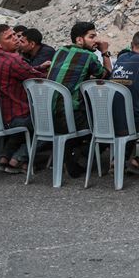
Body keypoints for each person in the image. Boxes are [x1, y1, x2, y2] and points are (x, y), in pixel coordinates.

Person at [0, 25, 48, 172]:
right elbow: (37, 79)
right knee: (48, 122)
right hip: (8, 120)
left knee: (28, 118)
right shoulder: (13, 59)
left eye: (15, 34)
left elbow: (25, 71)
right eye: (9, 37)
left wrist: (39, 67)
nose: (16, 38)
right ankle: (19, 159)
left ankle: (5, 156)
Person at [48, 21, 111, 175]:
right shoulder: (88, 56)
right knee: (106, 127)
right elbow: (106, 74)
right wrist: (105, 52)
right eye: (92, 37)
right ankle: (79, 156)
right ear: (79, 40)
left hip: (48, 116)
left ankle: (70, 152)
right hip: (68, 117)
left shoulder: (60, 51)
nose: (96, 40)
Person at [108, 31, 139, 177]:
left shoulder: (122, 58)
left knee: (131, 114)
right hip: (133, 120)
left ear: (131, 45)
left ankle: (116, 161)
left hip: (110, 120)